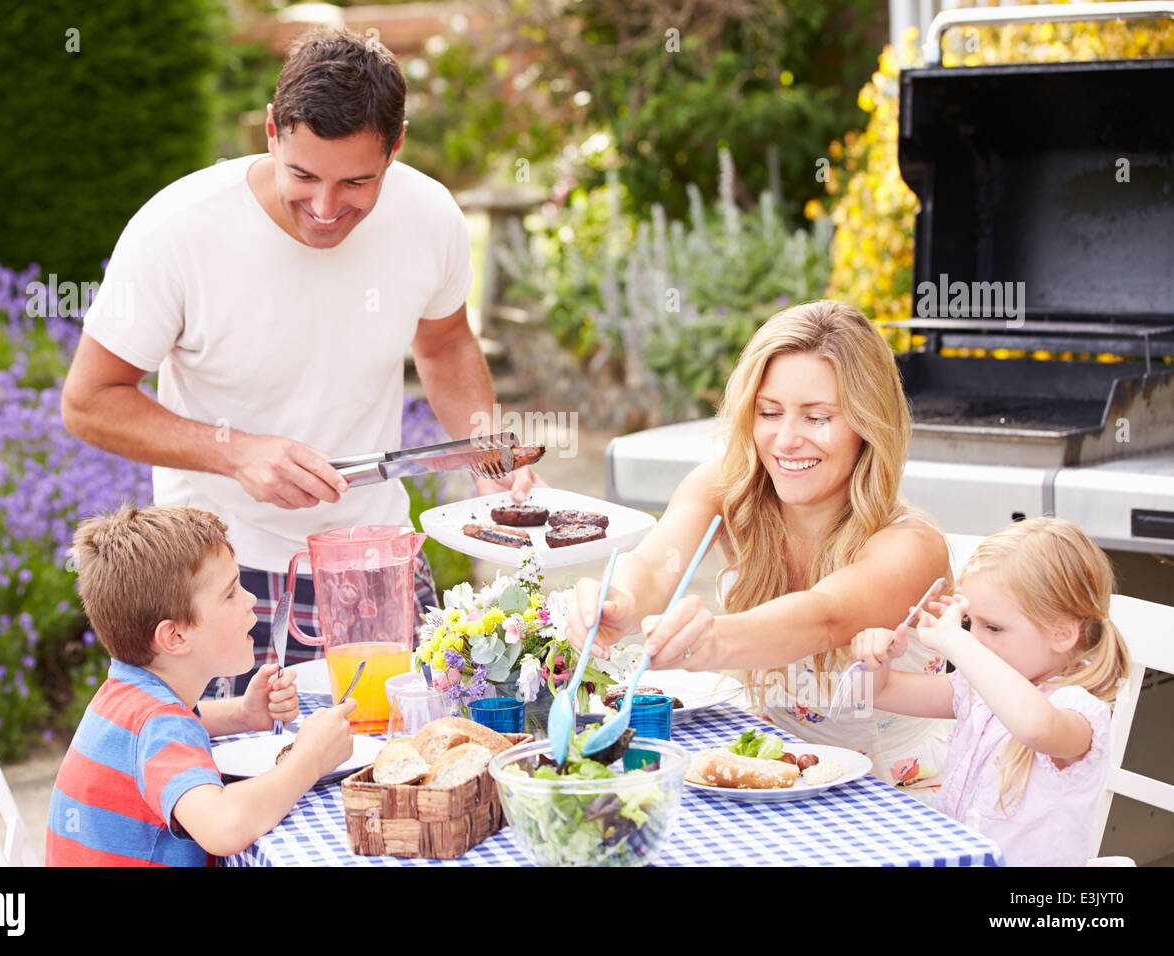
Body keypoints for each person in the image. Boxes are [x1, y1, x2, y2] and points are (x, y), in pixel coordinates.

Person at [61, 28, 535, 698]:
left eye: (356, 182)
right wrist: (236, 453)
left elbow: (446, 340)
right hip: (217, 579)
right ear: (270, 134)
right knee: (240, 793)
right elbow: (89, 400)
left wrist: (488, 455)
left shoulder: (430, 217)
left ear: (395, 145)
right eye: (304, 175)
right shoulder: (178, 231)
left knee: (408, 778)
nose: (324, 208)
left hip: (377, 561)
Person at [565, 299, 953, 796]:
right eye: (769, 412)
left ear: (868, 424)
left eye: (818, 418)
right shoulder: (727, 489)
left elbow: (824, 617)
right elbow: (656, 566)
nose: (786, 440)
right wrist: (614, 602)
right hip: (766, 777)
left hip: (894, 801)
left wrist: (714, 643)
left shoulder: (912, 545)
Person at [47, 505, 357, 866]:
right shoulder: (160, 724)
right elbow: (223, 827)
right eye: (230, 593)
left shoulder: (129, 695)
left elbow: (166, 729)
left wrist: (242, 714)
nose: (250, 600)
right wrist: (310, 759)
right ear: (175, 636)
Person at [852, 517, 1129, 866]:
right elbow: (882, 694)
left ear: (1062, 634)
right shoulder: (977, 689)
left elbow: (1035, 727)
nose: (976, 638)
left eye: (994, 627)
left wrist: (958, 640)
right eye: (971, 623)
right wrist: (875, 661)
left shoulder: (1079, 712)